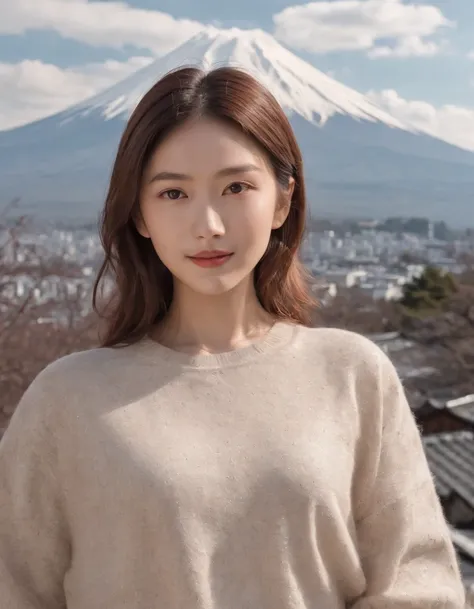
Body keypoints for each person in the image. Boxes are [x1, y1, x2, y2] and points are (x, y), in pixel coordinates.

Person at [0, 66, 465, 609]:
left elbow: (418, 583)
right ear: (140, 215)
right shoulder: (68, 397)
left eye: (237, 187)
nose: (209, 223)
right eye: (173, 192)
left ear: (283, 201)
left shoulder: (352, 374)